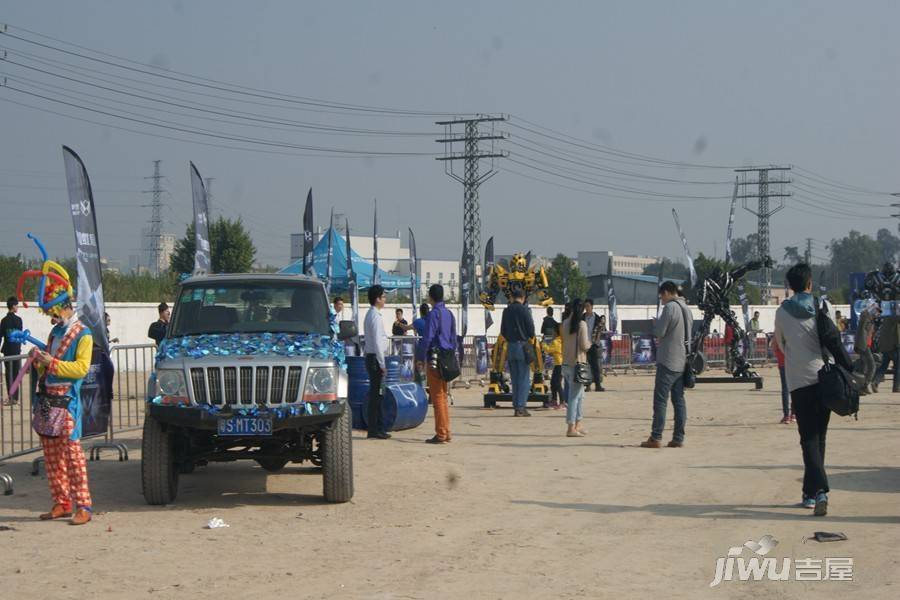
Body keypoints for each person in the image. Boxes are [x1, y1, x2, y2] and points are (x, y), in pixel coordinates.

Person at [774, 263, 854, 516]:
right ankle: (811, 492)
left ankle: (818, 491)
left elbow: (779, 342)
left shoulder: (782, 312)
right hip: (824, 377)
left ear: (790, 286)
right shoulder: (822, 306)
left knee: (808, 438)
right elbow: (833, 339)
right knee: (820, 437)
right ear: (809, 284)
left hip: (798, 381)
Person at [27, 275, 95, 524]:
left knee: (73, 455)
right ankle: (62, 501)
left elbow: (80, 369)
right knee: (51, 455)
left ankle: (83, 505)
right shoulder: (55, 333)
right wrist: (39, 361)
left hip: (67, 403)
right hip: (46, 400)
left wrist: (51, 363)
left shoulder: (84, 335)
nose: (52, 319)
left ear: (64, 307)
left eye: (54, 312)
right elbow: (47, 366)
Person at [641, 281, 692, 448]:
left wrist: (656, 324)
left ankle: (656, 437)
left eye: (662, 296)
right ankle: (678, 437)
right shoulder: (687, 309)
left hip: (668, 360)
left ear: (668, 292)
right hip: (682, 360)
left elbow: (660, 332)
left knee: (660, 400)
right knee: (679, 400)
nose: (661, 299)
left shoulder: (670, 308)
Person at [415, 284, 457, 444]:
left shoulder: (434, 315)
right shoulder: (449, 314)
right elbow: (454, 338)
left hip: (435, 357)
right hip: (447, 357)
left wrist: (420, 357)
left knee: (437, 396)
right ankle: (446, 431)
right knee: (443, 395)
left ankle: (441, 433)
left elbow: (427, 338)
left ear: (430, 297)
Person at [500, 287, 536, 417]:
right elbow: (531, 330)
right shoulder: (525, 310)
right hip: (522, 346)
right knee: (524, 378)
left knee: (514, 379)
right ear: (523, 297)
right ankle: (521, 407)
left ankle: (516, 405)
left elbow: (503, 331)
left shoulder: (506, 311)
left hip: (510, 346)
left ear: (512, 297)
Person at [363, 285, 390, 439]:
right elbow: (378, 343)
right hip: (375, 359)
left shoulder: (372, 315)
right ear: (377, 299)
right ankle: (375, 428)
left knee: (378, 395)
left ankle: (378, 427)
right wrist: (382, 364)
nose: (385, 299)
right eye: (383, 297)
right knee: (377, 395)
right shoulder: (374, 316)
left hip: (373, 357)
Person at [561, 299, 591, 436]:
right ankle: (571, 427)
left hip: (566, 363)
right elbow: (584, 346)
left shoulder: (565, 323)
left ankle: (578, 423)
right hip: (578, 364)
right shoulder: (582, 325)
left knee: (579, 395)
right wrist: (591, 343)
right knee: (574, 397)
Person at [1, 296, 24, 403]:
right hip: (16, 350)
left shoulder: (4, 321)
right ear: (13, 306)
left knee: (9, 374)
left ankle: (11, 397)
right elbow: (20, 336)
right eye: (17, 305)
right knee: (16, 374)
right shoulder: (19, 320)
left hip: (7, 351)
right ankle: (16, 398)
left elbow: (0, 336)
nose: (17, 307)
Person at [770, 336, 794, 424]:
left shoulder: (778, 334)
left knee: (785, 389)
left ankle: (786, 415)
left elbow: (773, 346)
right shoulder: (791, 332)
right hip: (793, 362)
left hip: (783, 363)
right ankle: (794, 414)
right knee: (794, 388)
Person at [583, 300, 605, 392]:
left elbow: (602, 330)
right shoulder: (582, 317)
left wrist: (596, 341)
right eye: (585, 306)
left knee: (595, 365)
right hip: (584, 344)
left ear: (592, 307)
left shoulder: (597, 318)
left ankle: (598, 385)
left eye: (588, 306)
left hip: (593, 345)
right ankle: (587, 385)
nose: (586, 308)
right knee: (585, 366)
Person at [854, 303, 877, 395]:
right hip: (863, 346)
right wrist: (867, 310)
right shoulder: (865, 318)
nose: (877, 314)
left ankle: (861, 387)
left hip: (866, 345)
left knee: (864, 367)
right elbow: (863, 328)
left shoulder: (870, 320)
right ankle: (864, 385)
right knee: (872, 365)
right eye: (876, 312)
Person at [542, 329, 563, 410]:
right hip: (559, 364)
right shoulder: (561, 340)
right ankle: (554, 400)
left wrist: (543, 343)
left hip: (559, 365)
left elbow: (548, 350)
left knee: (557, 384)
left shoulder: (556, 341)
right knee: (553, 383)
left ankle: (562, 402)